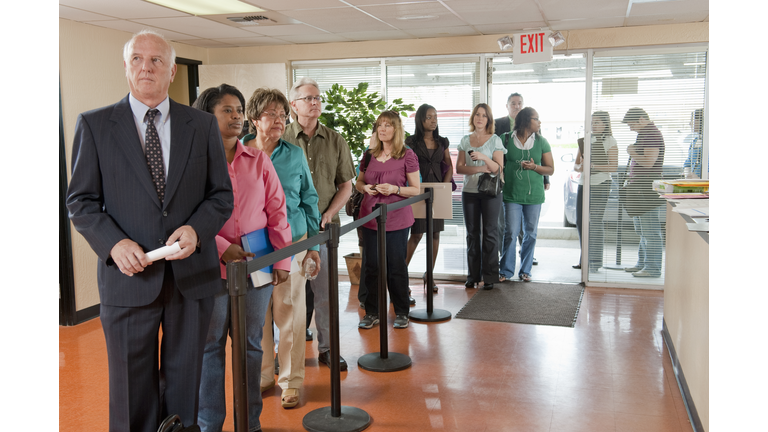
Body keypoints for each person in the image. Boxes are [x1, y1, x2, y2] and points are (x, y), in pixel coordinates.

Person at [65, 30, 234, 432]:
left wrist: (195, 230)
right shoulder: (95, 125)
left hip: (191, 280)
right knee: (130, 396)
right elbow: (81, 202)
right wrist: (114, 243)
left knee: (184, 391)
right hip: (128, 280)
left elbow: (220, 196)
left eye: (156, 60)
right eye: (137, 59)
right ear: (125, 67)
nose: (146, 67)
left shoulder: (203, 125)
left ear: (172, 70)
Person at [191, 84, 293, 432]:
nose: (236, 117)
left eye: (238, 110)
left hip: (257, 266)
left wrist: (281, 262)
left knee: (251, 346)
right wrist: (221, 247)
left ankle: (249, 424)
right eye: (227, 110)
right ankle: (209, 424)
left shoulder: (258, 159)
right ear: (208, 116)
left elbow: (277, 212)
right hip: (211, 267)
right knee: (210, 348)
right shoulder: (194, 162)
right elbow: (185, 214)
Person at [242, 87, 322, 409]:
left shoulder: (294, 154)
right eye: (271, 114)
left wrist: (314, 244)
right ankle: (263, 376)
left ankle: (290, 381)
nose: (279, 120)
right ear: (253, 119)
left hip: (293, 243)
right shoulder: (238, 151)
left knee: (290, 313)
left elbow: (309, 199)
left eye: (281, 115)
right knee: (257, 315)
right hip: (253, 247)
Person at [282, 77, 356, 371]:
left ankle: (327, 348)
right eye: (308, 98)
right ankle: (287, 354)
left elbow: (346, 186)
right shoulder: (281, 138)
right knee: (289, 296)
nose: (315, 103)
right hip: (290, 231)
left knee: (325, 294)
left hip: (325, 230)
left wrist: (327, 215)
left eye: (317, 98)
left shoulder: (336, 140)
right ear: (294, 105)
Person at [356, 111, 421, 330]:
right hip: (371, 217)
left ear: (396, 129)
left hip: (397, 219)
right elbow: (359, 182)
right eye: (379, 125)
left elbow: (416, 189)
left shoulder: (407, 155)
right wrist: (365, 188)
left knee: (396, 266)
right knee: (372, 266)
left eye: (387, 125)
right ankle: (372, 312)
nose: (382, 129)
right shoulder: (369, 154)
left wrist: (395, 189)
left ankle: (402, 311)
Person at [499, 107, 555, 282]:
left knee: (530, 233)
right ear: (525, 121)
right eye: (536, 119)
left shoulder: (542, 141)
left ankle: (525, 270)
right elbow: (498, 165)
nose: (539, 122)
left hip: (534, 195)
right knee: (511, 232)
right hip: (512, 194)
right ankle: (506, 271)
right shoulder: (505, 138)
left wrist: (535, 167)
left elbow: (551, 169)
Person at [404, 104, 452, 295]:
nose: (433, 120)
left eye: (435, 117)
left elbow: (448, 166)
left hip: (438, 190)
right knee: (416, 235)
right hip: (418, 190)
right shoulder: (411, 142)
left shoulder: (442, 141)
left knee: (435, 234)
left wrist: (445, 188)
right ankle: (401, 276)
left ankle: (429, 275)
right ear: (420, 120)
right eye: (429, 117)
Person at [457, 103, 506, 290]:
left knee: (490, 233)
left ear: (488, 120)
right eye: (477, 114)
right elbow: (459, 168)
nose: (480, 118)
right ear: (473, 118)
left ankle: (490, 277)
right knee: (472, 234)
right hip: (469, 192)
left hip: (491, 193)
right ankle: (473, 276)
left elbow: (498, 168)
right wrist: (479, 168)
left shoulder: (495, 140)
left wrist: (484, 158)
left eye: (484, 115)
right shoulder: (465, 140)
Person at [494, 92, 545, 266]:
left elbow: (540, 157)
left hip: (532, 188)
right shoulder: (500, 127)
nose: (517, 106)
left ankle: (526, 261)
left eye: (519, 103)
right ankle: (506, 261)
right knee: (509, 228)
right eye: (513, 103)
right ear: (507, 106)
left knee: (528, 230)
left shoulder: (536, 131)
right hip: (510, 186)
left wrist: (545, 179)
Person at [621, 108, 665, 278]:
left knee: (650, 230)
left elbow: (648, 162)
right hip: (639, 187)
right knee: (642, 230)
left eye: (632, 124)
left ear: (641, 119)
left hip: (646, 189)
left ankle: (652, 268)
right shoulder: (645, 134)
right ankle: (642, 264)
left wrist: (632, 152)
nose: (631, 128)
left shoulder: (652, 134)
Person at [572, 111, 618, 272]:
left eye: (597, 122)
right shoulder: (584, 141)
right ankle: (584, 258)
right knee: (580, 221)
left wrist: (594, 166)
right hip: (584, 184)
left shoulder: (610, 141)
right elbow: (576, 166)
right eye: (592, 122)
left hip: (601, 184)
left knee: (595, 222)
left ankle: (595, 262)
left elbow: (613, 167)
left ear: (605, 124)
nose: (594, 125)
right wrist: (583, 166)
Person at [683, 108, 704, 179]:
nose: (690, 123)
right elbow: (688, 162)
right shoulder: (695, 141)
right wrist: (687, 174)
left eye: (692, 120)